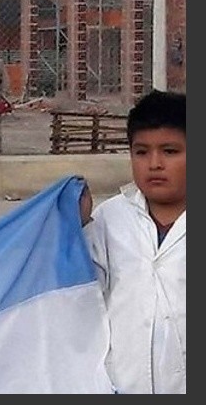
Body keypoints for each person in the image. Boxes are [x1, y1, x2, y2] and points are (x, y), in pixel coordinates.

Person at [80, 90, 186, 394]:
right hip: (122, 386)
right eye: (141, 152)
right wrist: (79, 227)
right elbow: (83, 294)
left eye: (170, 151)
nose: (154, 164)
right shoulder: (110, 219)